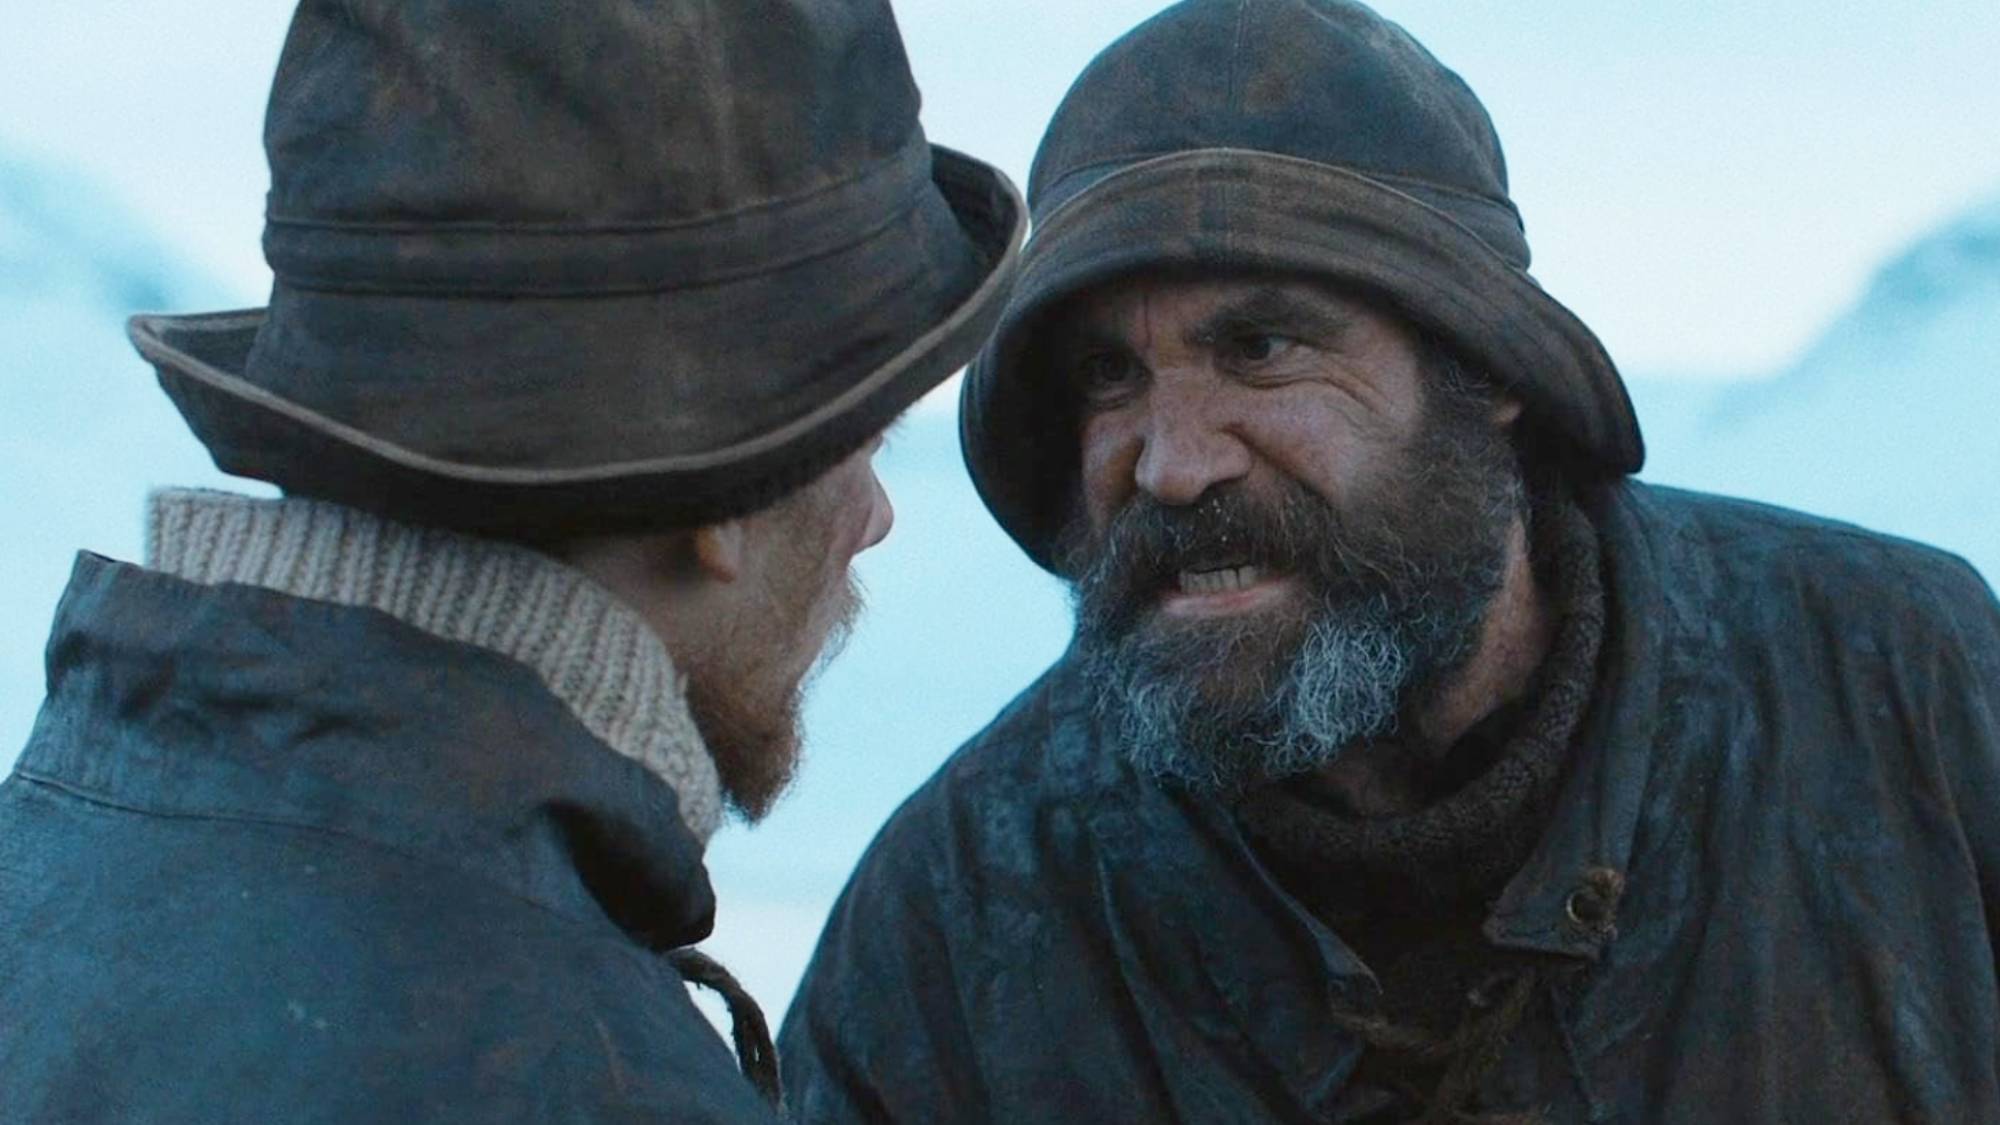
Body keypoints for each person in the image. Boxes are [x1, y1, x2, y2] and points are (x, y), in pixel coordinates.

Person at [781, 1, 2000, 1121]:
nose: (1172, 464)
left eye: (1260, 348)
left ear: (1485, 372)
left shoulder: (1898, 689)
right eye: (1108, 376)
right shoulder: (960, 916)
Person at [0, 0, 1021, 1120]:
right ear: (733, 490)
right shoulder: (591, 1078)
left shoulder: (41, 873)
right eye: (868, 441)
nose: (876, 517)